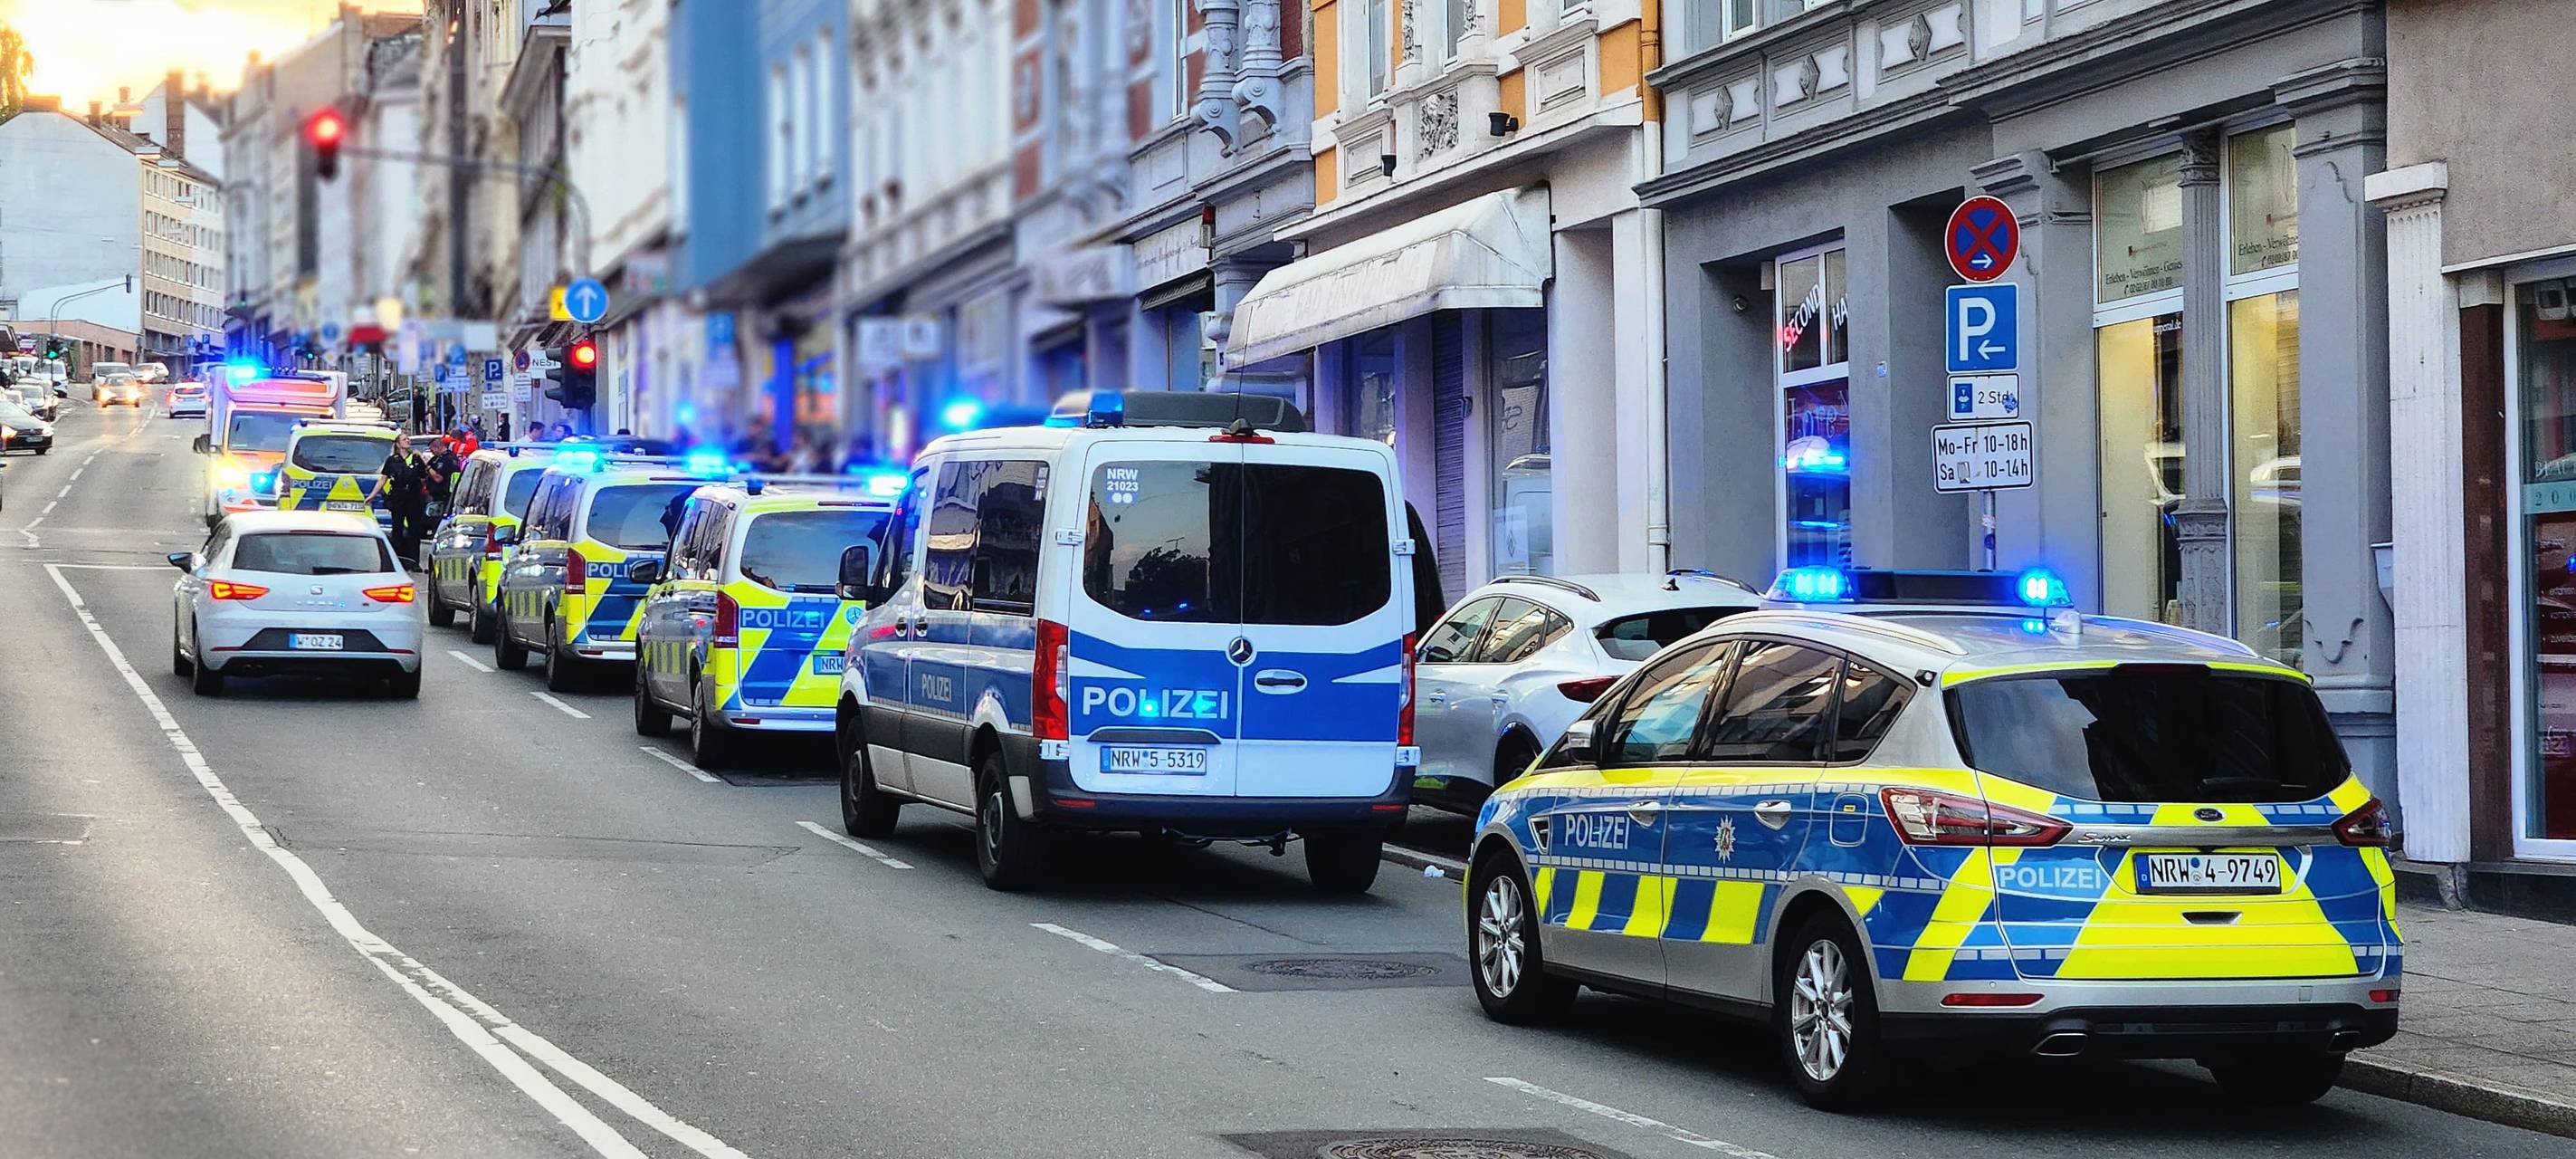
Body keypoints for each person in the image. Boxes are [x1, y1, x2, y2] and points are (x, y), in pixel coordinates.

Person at [381, 434, 434, 561]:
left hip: (413, 497)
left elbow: (424, 477)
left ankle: (414, 560)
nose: (408, 441)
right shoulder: (392, 460)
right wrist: (372, 496)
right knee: (397, 529)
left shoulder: (415, 458)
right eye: (404, 439)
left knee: (414, 530)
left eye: (408, 439)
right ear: (398, 444)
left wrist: (422, 458)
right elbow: (383, 479)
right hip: (398, 497)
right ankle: (397, 559)